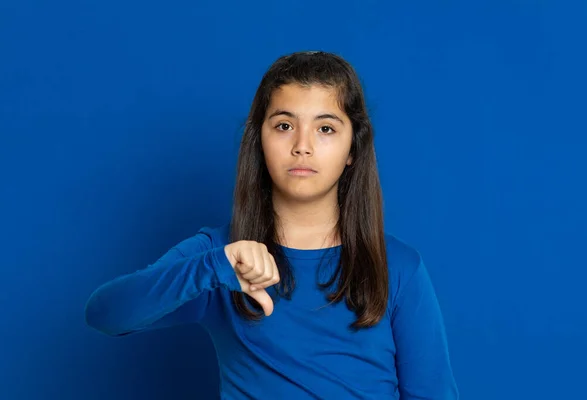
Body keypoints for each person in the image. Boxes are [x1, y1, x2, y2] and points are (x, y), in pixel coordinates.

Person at [84, 50, 459, 399]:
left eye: (325, 129)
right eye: (283, 126)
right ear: (259, 141)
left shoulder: (399, 266)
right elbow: (105, 314)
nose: (302, 145)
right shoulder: (218, 255)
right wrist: (214, 267)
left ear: (352, 151)